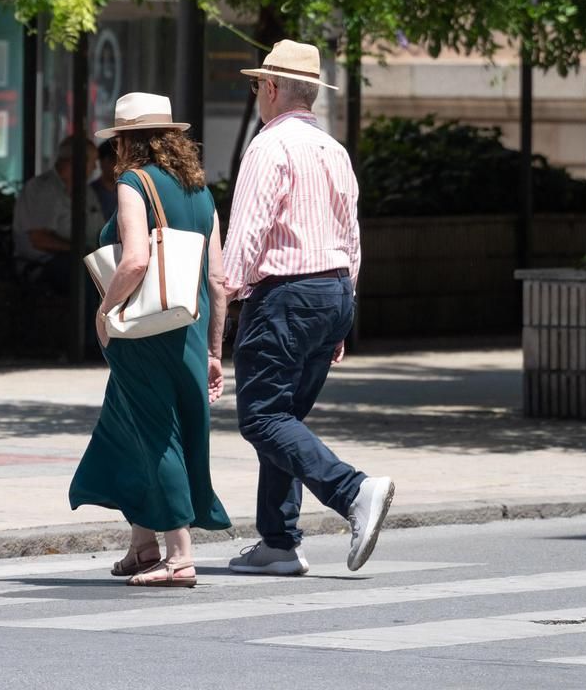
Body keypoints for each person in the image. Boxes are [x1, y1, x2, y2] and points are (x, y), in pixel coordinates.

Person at [222, 40, 394, 576]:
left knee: (263, 418)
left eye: (257, 86)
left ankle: (353, 491)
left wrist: (219, 297)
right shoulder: (332, 150)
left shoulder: (268, 147)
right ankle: (278, 540)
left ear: (271, 88)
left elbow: (247, 236)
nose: (257, 96)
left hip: (285, 294)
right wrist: (343, 310)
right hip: (334, 291)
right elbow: (352, 236)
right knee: (285, 419)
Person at [71, 93, 230, 587]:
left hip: (143, 333)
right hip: (189, 329)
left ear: (125, 142)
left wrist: (105, 310)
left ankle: (179, 553)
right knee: (129, 428)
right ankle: (143, 544)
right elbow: (219, 281)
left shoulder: (131, 183)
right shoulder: (201, 192)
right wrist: (213, 351)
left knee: (158, 434)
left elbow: (135, 259)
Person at [11, 135, 105, 298]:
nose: (96, 167)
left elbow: (100, 228)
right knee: (88, 275)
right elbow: (39, 239)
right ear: (78, 161)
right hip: (44, 264)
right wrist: (80, 250)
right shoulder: (42, 189)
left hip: (82, 258)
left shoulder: (86, 191)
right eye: (93, 161)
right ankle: (91, 323)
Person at [92, 139, 120, 220]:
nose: (120, 168)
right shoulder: (91, 192)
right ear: (103, 162)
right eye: (115, 161)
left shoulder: (128, 191)